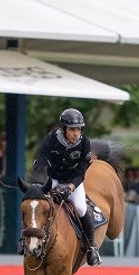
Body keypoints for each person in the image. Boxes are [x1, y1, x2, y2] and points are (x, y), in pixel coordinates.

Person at [29, 107, 100, 266]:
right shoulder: (51, 139)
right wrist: (41, 182)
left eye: (79, 129)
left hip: (72, 181)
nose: (76, 133)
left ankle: (92, 248)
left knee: (81, 208)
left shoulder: (84, 144)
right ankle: (25, 239)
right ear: (64, 129)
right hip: (52, 178)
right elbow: (39, 162)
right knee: (35, 203)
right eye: (72, 129)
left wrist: (70, 188)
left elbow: (81, 171)